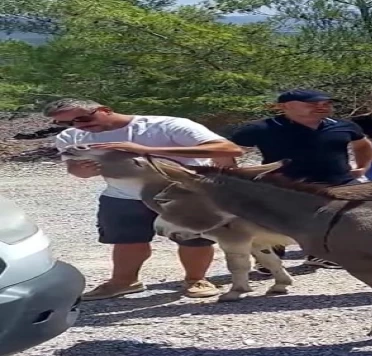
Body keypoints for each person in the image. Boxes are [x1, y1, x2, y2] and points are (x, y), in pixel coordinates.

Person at [43, 98, 243, 301]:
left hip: (184, 193)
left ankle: (196, 280)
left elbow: (229, 150)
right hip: (122, 194)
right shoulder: (70, 137)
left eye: (83, 118)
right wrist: (82, 170)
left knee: (193, 239)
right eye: (67, 123)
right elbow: (74, 169)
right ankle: (123, 282)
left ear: (105, 110)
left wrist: (145, 150)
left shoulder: (166, 126)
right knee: (127, 240)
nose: (79, 125)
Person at [228, 88, 372, 269]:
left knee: (344, 219)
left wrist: (363, 167)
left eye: (326, 103)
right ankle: (269, 260)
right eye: (312, 104)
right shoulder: (261, 129)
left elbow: (362, 144)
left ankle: (321, 254)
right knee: (277, 221)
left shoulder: (343, 125)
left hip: (338, 183)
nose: (321, 107)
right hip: (284, 186)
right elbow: (227, 151)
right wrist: (233, 173)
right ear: (283, 106)